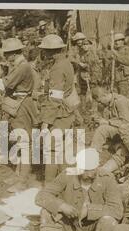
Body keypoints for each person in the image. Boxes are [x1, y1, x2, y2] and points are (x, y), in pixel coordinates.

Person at [0, 38, 40, 192]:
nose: (5, 57)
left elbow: (7, 84)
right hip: (20, 103)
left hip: (22, 105)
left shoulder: (22, 67)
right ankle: (18, 174)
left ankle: (23, 180)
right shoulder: (18, 65)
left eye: (7, 54)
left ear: (14, 53)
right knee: (19, 139)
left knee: (24, 142)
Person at [38, 34, 78, 182]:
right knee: (64, 149)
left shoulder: (57, 68)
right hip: (67, 112)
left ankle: (49, 186)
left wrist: (45, 122)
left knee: (52, 150)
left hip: (59, 114)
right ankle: (66, 183)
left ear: (51, 51)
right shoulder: (67, 63)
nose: (43, 53)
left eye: (45, 50)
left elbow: (55, 98)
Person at [70, 32, 102, 116]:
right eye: (78, 41)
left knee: (94, 91)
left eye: (81, 41)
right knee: (82, 91)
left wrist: (85, 65)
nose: (80, 43)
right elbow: (71, 57)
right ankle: (83, 108)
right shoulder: (77, 50)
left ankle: (95, 110)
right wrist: (79, 63)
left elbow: (93, 64)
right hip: (82, 74)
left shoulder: (90, 50)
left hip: (93, 73)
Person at [110, 33, 129, 97]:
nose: (116, 42)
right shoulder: (116, 51)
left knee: (123, 99)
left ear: (123, 41)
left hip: (124, 79)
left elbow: (127, 61)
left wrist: (116, 54)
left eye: (118, 40)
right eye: (115, 41)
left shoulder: (127, 49)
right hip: (116, 79)